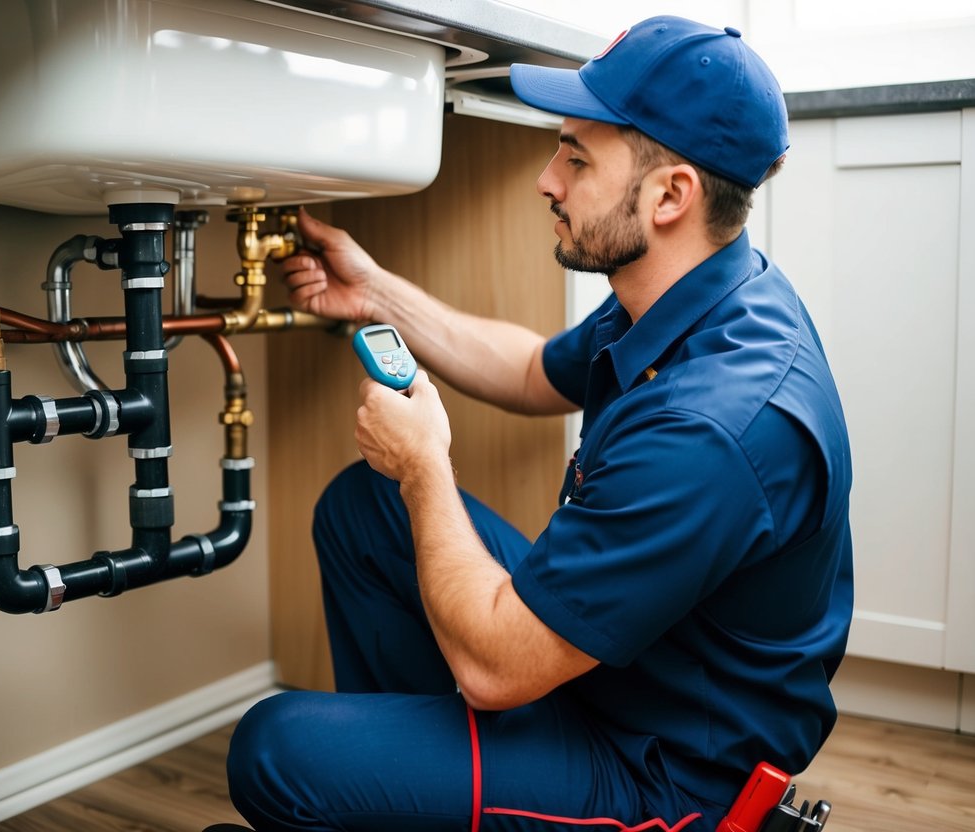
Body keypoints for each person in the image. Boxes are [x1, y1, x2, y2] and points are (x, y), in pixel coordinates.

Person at [225, 15, 853, 832]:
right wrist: (376, 293)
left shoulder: (711, 425)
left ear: (671, 195)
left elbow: (491, 671)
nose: (546, 180)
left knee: (273, 750)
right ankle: (423, 794)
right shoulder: (693, 294)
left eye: (577, 158)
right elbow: (528, 370)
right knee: (361, 509)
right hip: (623, 670)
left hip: (659, 769)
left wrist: (425, 466)